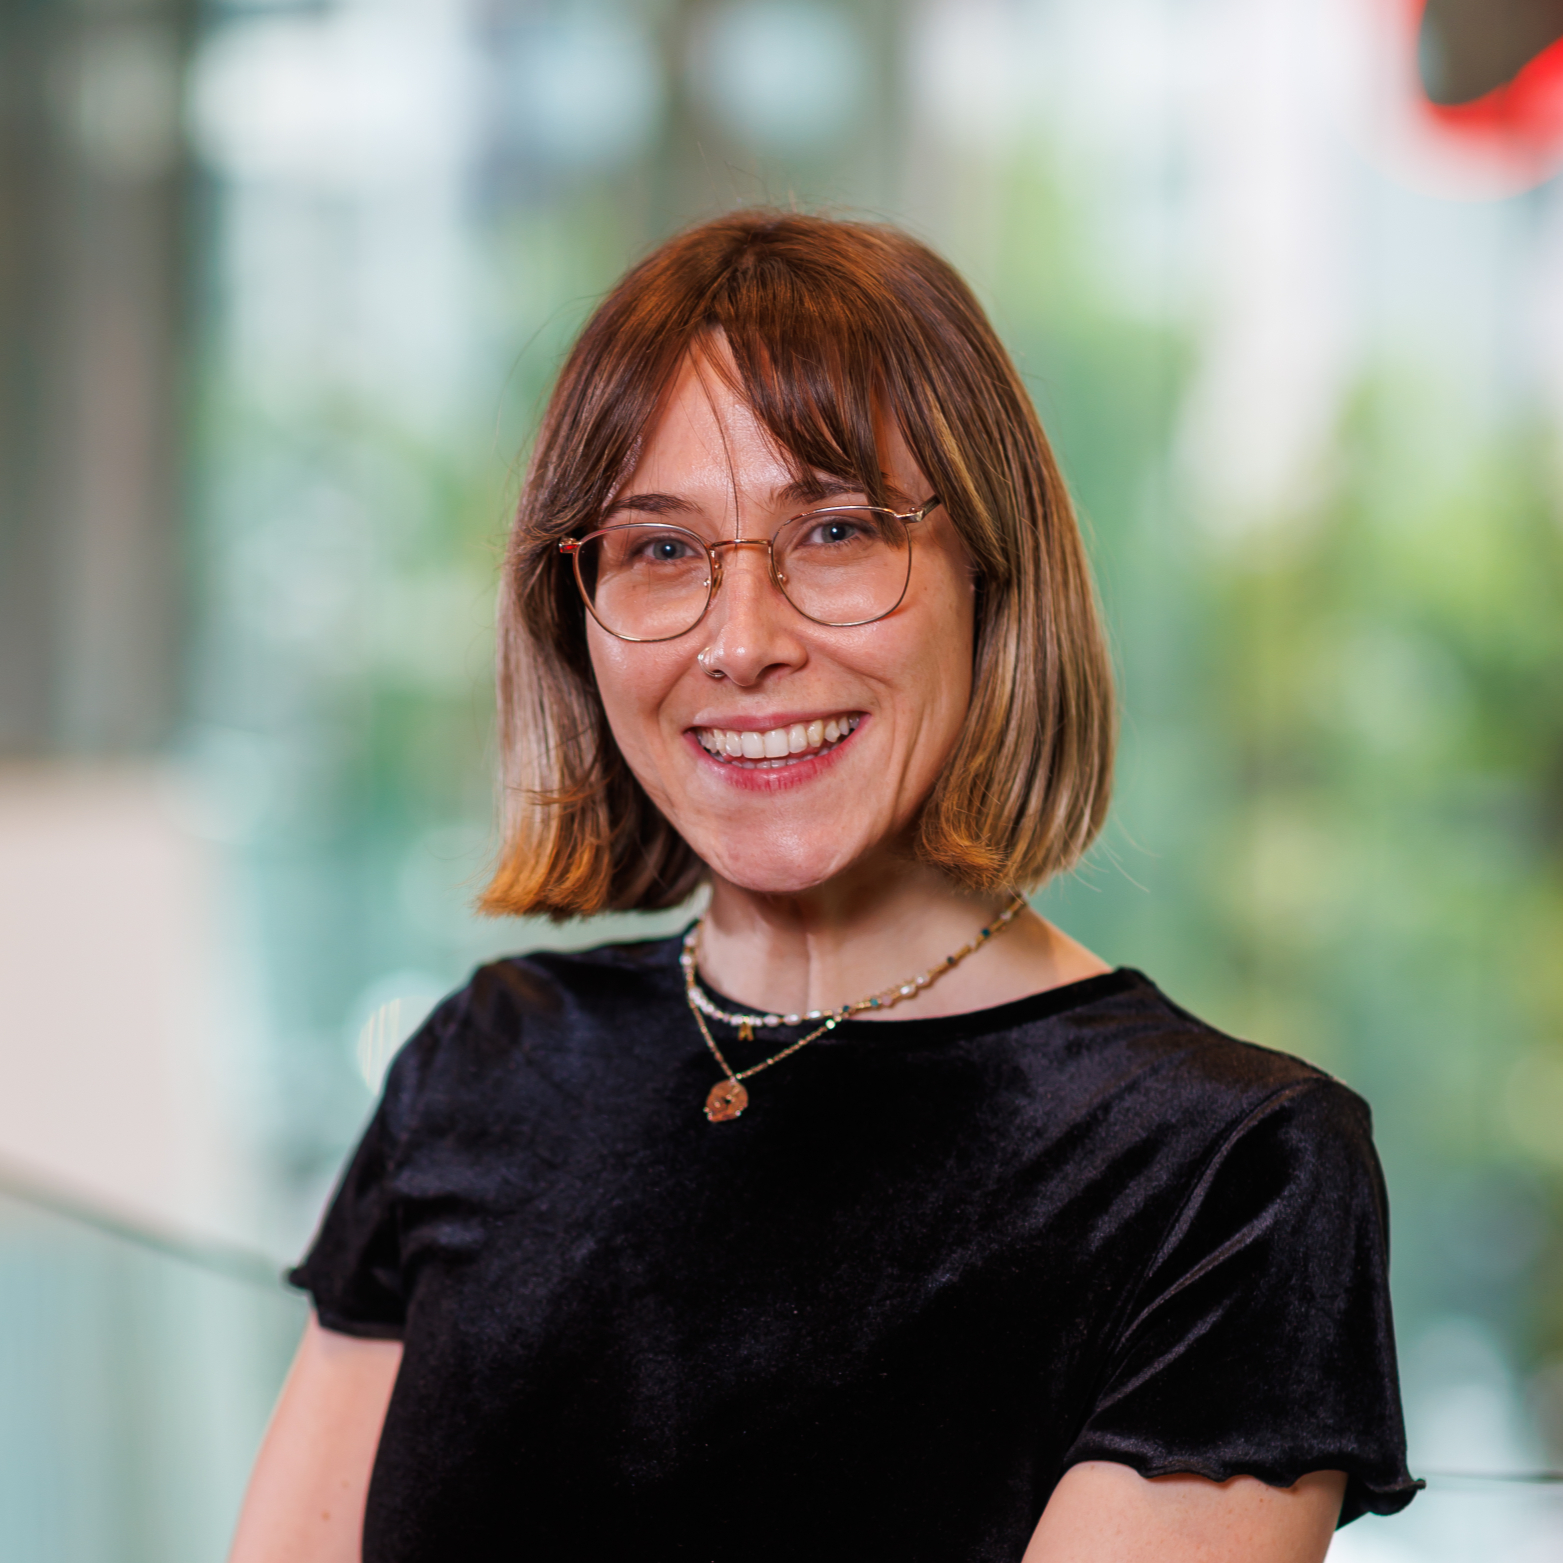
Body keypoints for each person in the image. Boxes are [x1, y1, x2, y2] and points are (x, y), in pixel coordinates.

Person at [229, 212, 1419, 1562]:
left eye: (838, 529)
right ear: (580, 613)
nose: (743, 645)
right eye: (661, 549)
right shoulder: (480, 1066)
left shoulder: (1231, 1175)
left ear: (990, 564)